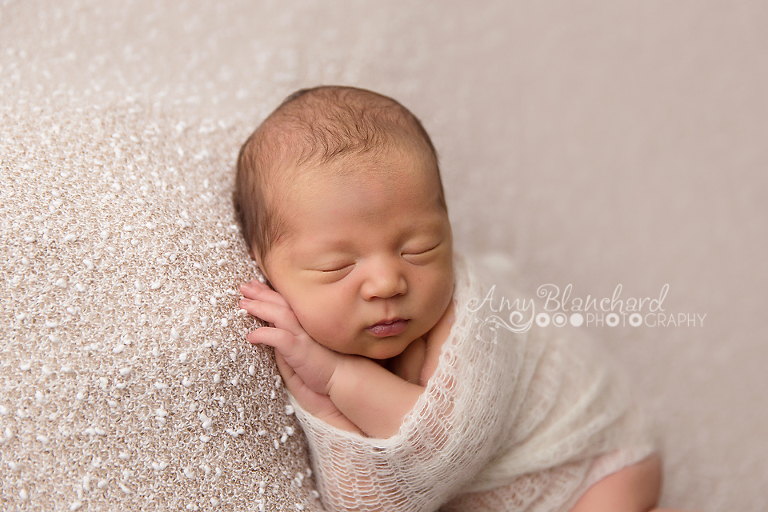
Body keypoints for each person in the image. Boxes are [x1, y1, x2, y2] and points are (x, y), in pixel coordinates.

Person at [234, 86, 681, 512]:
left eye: (420, 248)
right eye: (337, 267)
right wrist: (319, 406)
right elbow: (371, 502)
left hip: (596, 465)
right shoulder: (306, 348)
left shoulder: (473, 315)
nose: (388, 282)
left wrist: (334, 377)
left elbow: (447, 444)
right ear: (265, 266)